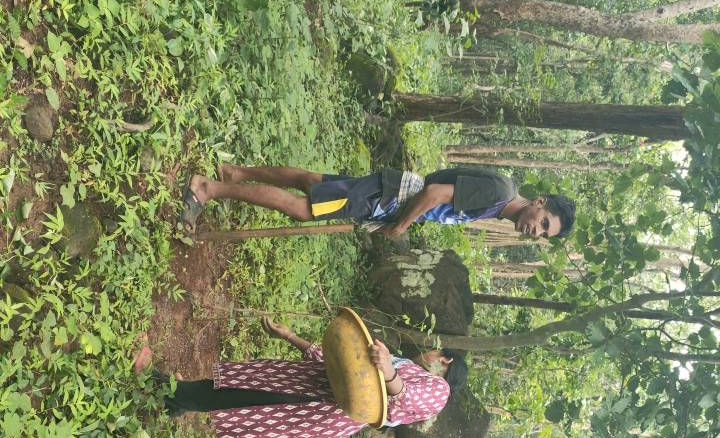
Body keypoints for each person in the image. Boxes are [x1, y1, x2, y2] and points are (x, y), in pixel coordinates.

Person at [133, 316, 467, 438]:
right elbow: (342, 366)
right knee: (240, 387)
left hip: (319, 409)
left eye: (436, 350)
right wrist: (291, 337)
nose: (429, 351)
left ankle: (156, 385)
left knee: (240, 397)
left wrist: (389, 372)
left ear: (446, 361)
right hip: (313, 385)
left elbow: (406, 398)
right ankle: (173, 400)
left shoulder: (440, 390)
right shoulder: (410, 367)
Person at [180, 164, 576, 240]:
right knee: (303, 207)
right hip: (388, 199)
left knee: (313, 182)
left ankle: (236, 172)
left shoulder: (499, 200)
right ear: (539, 202)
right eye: (544, 222)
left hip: (391, 190)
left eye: (544, 234)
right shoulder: (499, 195)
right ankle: (207, 188)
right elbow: (435, 194)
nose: (536, 231)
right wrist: (400, 225)